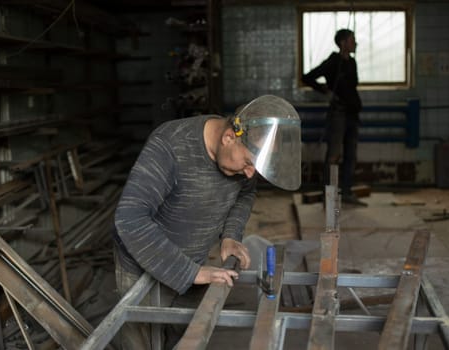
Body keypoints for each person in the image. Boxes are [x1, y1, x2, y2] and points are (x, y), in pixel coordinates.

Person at [113, 94, 301, 349]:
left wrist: (231, 234)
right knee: (141, 343)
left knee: (188, 338)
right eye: (248, 163)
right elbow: (130, 218)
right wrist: (190, 273)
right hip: (143, 267)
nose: (250, 173)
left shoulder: (241, 160)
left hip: (194, 262)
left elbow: (245, 194)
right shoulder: (170, 145)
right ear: (228, 137)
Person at [302, 28, 367, 206]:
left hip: (353, 113)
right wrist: (325, 90)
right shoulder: (333, 62)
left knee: (351, 155)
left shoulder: (352, 62)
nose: (355, 43)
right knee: (334, 156)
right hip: (338, 113)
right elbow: (307, 77)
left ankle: (345, 192)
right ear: (343, 43)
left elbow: (352, 86)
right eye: (352, 40)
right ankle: (329, 195)